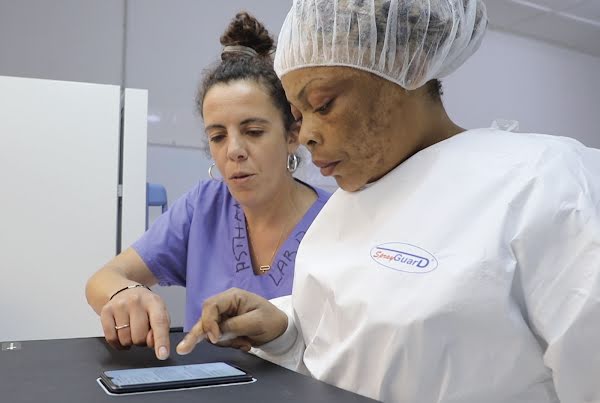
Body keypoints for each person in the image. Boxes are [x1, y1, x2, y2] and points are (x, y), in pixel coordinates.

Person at [176, 1, 600, 402]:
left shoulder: (547, 182)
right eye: (299, 116)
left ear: (406, 68)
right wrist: (284, 330)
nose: (305, 136)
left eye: (323, 104)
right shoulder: (343, 207)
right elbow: (347, 354)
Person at [85, 12, 330, 362]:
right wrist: (126, 293)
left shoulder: (336, 221)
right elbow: (103, 278)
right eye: (217, 136)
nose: (234, 151)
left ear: (293, 135)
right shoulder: (203, 206)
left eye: (254, 132)